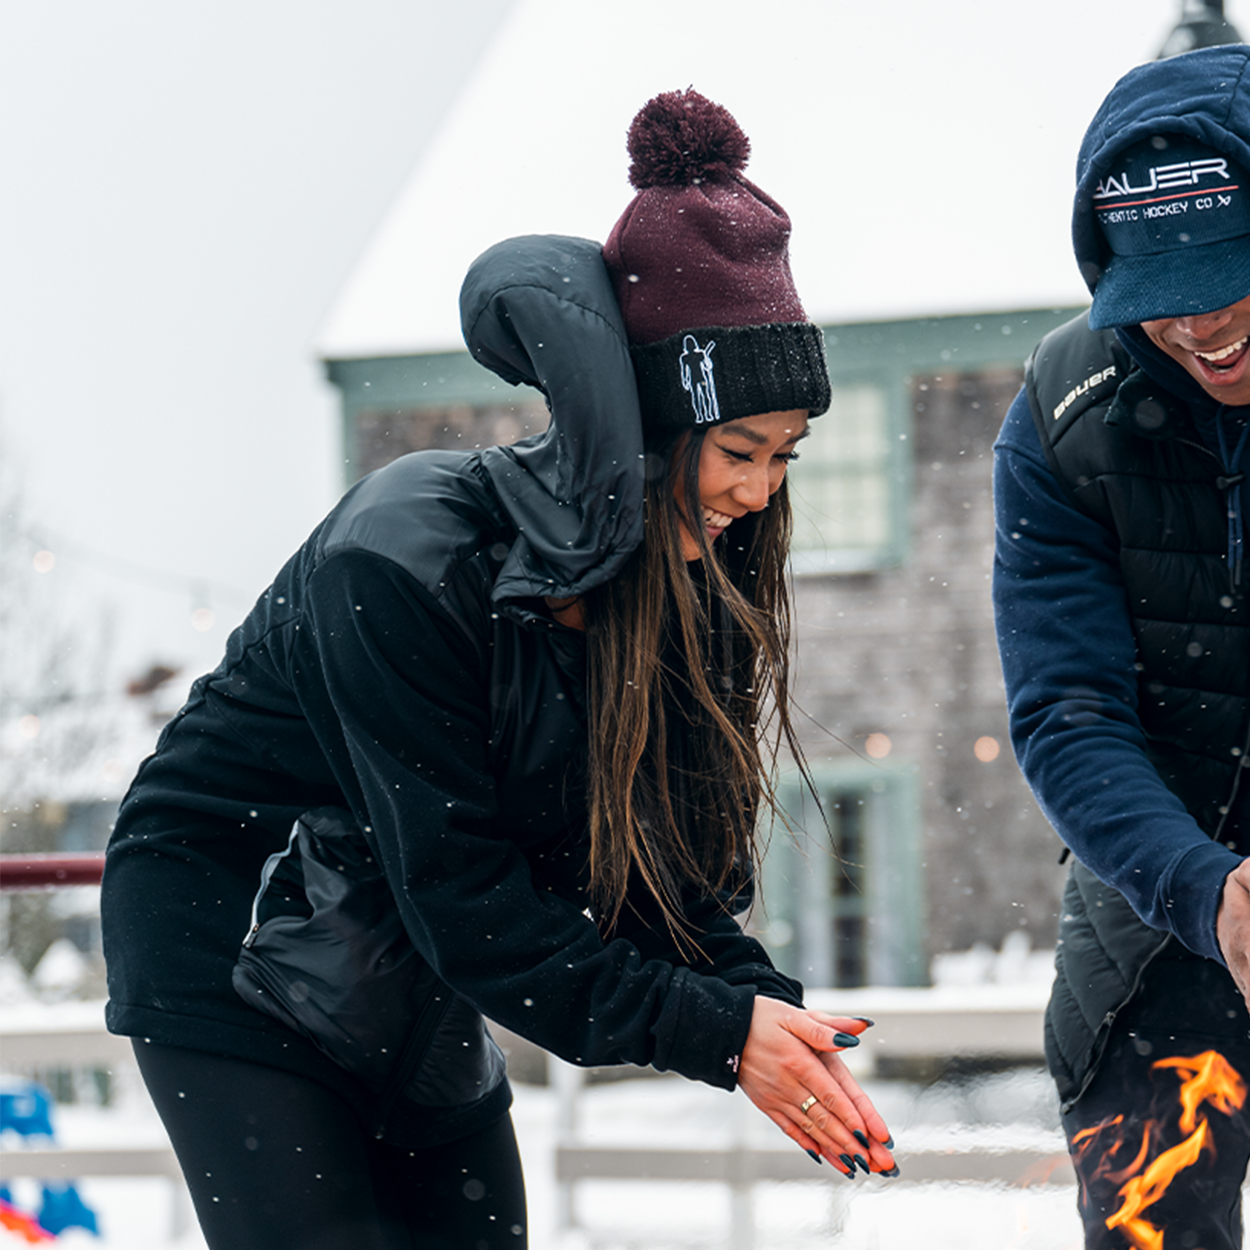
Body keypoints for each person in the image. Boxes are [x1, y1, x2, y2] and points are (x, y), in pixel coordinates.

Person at [101, 89, 896, 1250]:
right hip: (228, 923)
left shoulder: (687, 586)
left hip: (413, 939)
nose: (758, 492)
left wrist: (760, 1012)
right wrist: (711, 1031)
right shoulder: (405, 552)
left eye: (786, 454)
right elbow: (465, 893)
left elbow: (656, 883)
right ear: (641, 428)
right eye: (736, 449)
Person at [994, 44, 1250, 1250]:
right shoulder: (1061, 415)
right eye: (1163, 281)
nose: (1200, 318)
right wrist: (1207, 888)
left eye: (1229, 272)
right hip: (1152, 930)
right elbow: (1067, 711)